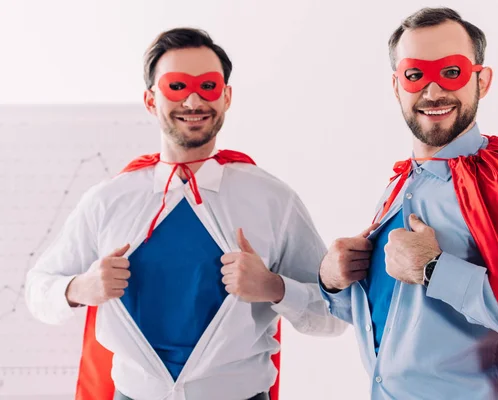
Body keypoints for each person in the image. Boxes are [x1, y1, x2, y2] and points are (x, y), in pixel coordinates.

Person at [26, 27, 346, 400]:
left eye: (208, 86)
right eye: (177, 86)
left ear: (226, 97)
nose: (193, 101)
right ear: (150, 100)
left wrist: (274, 288)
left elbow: (335, 315)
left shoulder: (273, 199)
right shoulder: (108, 200)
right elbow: (38, 289)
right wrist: (80, 288)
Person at [318, 7, 498, 400]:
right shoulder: (402, 184)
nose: (433, 93)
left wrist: (434, 269)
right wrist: (332, 281)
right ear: (397, 86)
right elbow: (400, 322)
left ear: (482, 81)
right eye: (415, 75)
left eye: (451, 73)